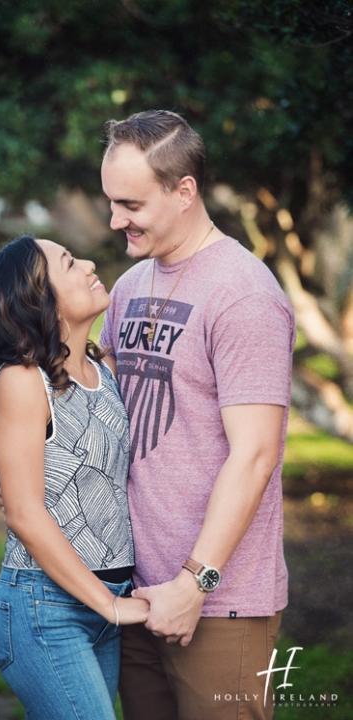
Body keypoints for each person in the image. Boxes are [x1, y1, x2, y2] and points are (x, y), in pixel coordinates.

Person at [98, 110, 295, 719]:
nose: (115, 220)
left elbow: (256, 453)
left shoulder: (245, 295)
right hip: (135, 593)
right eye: (110, 202)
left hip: (221, 600)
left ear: (184, 192)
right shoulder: (130, 286)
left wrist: (194, 584)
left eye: (130, 204)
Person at [0, 235, 150, 719]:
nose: (89, 264)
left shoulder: (103, 368)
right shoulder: (22, 381)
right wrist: (108, 606)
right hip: (44, 609)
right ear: (39, 300)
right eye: (70, 264)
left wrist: (113, 605)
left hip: (107, 601)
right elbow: (25, 513)